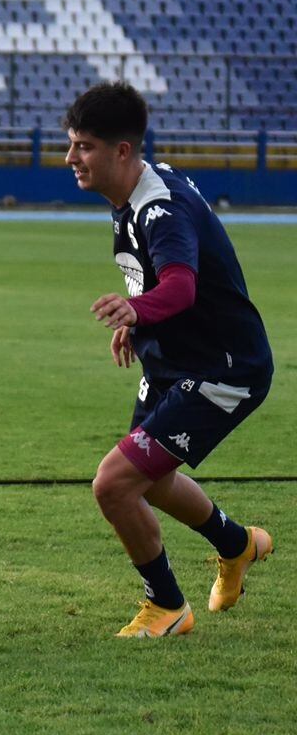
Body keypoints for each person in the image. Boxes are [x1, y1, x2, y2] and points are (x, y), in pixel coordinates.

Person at [67, 82, 274, 638]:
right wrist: (141, 324)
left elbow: (180, 288)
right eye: (71, 144)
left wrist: (138, 309)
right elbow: (165, 286)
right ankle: (239, 545)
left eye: (83, 146)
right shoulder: (130, 193)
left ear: (122, 151)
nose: (71, 158)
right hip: (174, 363)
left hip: (222, 370)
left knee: (113, 484)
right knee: (149, 481)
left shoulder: (160, 207)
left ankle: (166, 606)